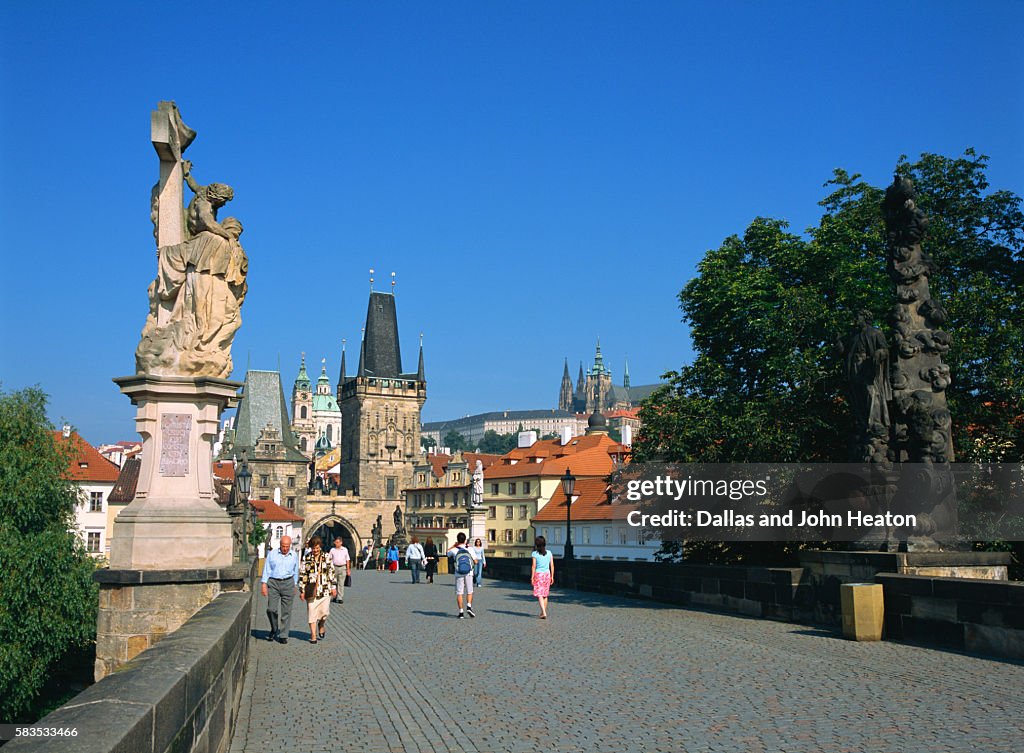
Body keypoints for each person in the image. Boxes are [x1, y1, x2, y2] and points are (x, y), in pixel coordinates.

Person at [260, 534, 299, 643]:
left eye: (287, 546)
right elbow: (266, 569)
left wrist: (295, 584)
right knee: (271, 609)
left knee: (286, 611)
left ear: (290, 545)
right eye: (283, 546)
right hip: (273, 583)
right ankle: (274, 628)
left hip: (288, 583)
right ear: (280, 545)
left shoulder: (294, 555)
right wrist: (264, 584)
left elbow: (296, 570)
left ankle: (283, 635)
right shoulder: (272, 554)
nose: (285, 548)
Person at [298, 535, 336, 645]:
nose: (315, 550)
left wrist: (333, 587)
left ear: (320, 547)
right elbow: (302, 574)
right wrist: (302, 590)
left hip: (324, 589)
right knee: (311, 613)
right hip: (311, 590)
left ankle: (321, 624)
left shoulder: (327, 557)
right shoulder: (307, 558)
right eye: (313, 548)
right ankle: (313, 636)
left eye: (317, 548)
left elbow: (331, 572)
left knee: (324, 613)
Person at [446, 532, 478, 619]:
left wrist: (453, 546)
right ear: (465, 540)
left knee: (459, 592)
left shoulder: (454, 550)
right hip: (469, 572)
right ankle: (469, 606)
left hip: (458, 572)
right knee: (469, 591)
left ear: (457, 540)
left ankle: (461, 612)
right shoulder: (470, 549)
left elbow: (447, 553)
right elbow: (476, 561)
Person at [531, 536, 554, 619]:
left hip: (539, 574)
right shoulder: (549, 553)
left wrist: (532, 577)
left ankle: (544, 612)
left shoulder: (535, 554)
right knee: (545, 595)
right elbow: (552, 565)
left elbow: (533, 566)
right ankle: (542, 612)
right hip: (547, 574)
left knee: (539, 594)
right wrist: (552, 576)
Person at [328, 537, 351, 603]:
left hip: (342, 567)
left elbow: (347, 560)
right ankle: (334, 596)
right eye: (335, 542)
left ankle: (340, 597)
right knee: (334, 583)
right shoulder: (332, 550)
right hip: (334, 568)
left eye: (338, 542)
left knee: (341, 583)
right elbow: (329, 559)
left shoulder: (345, 550)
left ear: (341, 542)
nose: (336, 544)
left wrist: (348, 569)